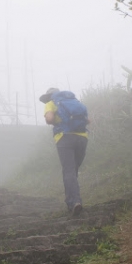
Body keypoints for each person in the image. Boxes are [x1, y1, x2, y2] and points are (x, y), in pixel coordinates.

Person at [40, 87, 89, 216]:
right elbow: (87, 120)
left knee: (68, 170)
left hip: (64, 137)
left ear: (49, 96)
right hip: (82, 138)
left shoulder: (51, 103)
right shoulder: (73, 101)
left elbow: (50, 119)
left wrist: (49, 119)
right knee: (73, 170)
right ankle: (71, 200)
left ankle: (74, 202)